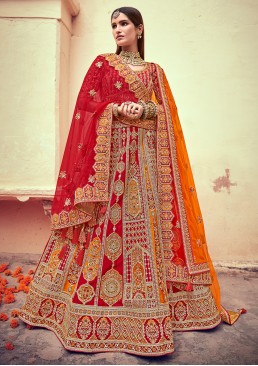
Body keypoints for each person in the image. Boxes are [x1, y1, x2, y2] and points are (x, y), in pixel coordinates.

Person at [19, 6, 244, 356]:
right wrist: (115, 110)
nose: (117, 30)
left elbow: (165, 112)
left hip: (145, 162)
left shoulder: (155, 71)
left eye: (124, 24)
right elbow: (87, 105)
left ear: (139, 30)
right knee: (104, 224)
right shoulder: (102, 64)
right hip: (108, 163)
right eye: (113, 25)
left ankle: (147, 305)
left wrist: (148, 110)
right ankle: (84, 305)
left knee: (145, 226)